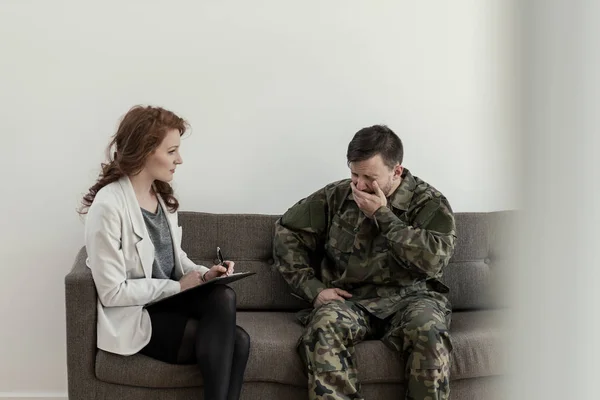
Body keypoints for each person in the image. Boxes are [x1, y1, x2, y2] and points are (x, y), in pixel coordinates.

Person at [273, 125, 456, 400]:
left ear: (397, 171)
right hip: (351, 300)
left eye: (369, 177)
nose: (358, 185)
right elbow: (287, 230)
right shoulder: (336, 196)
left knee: (430, 331)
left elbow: (434, 260)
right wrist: (313, 289)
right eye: (354, 174)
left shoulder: (428, 203)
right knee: (323, 327)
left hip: (411, 299)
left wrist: (383, 216)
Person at [79, 105, 249, 400]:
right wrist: (177, 286)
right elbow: (112, 292)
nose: (179, 160)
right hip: (139, 313)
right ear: (146, 151)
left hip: (170, 300)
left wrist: (204, 274)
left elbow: (174, 257)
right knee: (238, 341)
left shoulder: (159, 194)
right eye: (172, 151)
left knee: (223, 294)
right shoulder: (108, 207)